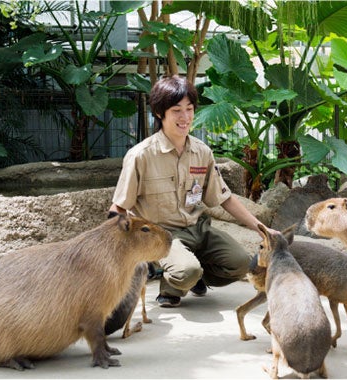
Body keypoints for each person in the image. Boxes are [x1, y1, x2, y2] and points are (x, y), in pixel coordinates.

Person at [109, 75, 273, 307]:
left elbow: (224, 199)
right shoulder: (141, 156)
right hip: (160, 235)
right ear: (159, 113)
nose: (185, 117)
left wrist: (262, 229)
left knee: (240, 264)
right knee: (186, 271)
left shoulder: (201, 151)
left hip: (198, 229)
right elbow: (118, 207)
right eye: (176, 110)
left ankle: (194, 275)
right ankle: (174, 281)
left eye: (189, 109)